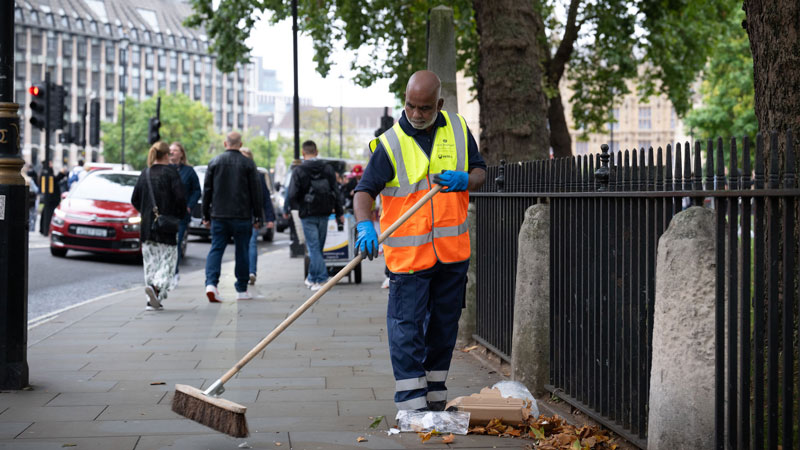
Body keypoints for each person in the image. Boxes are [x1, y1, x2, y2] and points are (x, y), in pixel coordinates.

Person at [352, 70, 487, 412]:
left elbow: (481, 171)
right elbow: (364, 191)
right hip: (409, 257)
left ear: (439, 104)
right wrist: (364, 225)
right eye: (411, 106)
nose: (416, 114)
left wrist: (465, 180)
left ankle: (435, 397)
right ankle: (411, 405)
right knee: (406, 330)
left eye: (425, 108)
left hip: (452, 255)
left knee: (443, 330)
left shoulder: (458, 130)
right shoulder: (390, 143)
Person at [202, 131, 263, 302]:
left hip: (219, 215)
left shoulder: (214, 162)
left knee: (216, 248)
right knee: (242, 251)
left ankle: (211, 284)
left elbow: (207, 191)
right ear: (241, 144)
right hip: (242, 216)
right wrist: (258, 216)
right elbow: (255, 193)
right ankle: (241, 290)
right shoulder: (248, 164)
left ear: (225, 143)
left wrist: (205, 215)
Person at [131, 142, 186, 311]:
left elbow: (135, 199)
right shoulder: (172, 173)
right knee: (168, 261)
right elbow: (180, 199)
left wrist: (148, 213)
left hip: (147, 226)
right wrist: (178, 215)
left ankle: (152, 300)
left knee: (150, 263)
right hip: (167, 225)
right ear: (167, 155)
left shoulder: (145, 173)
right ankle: (156, 288)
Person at [287, 140, 344, 291]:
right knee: (318, 248)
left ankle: (321, 279)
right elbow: (336, 191)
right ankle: (313, 278)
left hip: (307, 213)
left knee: (313, 248)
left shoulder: (299, 170)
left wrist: (296, 208)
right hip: (325, 212)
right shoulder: (327, 169)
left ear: (303, 153)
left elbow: (292, 194)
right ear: (316, 152)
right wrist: (339, 212)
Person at [239, 147, 276, 285]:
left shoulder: (256, 176)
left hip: (248, 215)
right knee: (248, 244)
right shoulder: (258, 175)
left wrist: (270, 218)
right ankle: (249, 272)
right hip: (247, 215)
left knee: (248, 244)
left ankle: (249, 272)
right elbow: (266, 198)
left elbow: (265, 198)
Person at [168, 141, 202, 286]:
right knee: (166, 244)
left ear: (181, 153)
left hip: (181, 214)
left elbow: (197, 190)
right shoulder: (165, 169)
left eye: (175, 150)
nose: (172, 153)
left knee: (176, 243)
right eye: (170, 150)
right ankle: (166, 272)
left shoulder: (189, 171)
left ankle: (174, 273)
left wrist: (190, 205)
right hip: (166, 213)